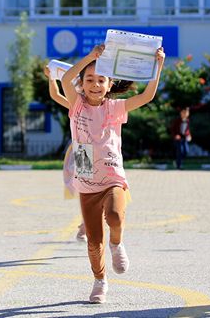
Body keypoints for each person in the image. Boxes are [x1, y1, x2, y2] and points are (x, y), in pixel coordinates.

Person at [61, 44, 165, 303]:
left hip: (112, 177)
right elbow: (64, 79)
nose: (95, 84)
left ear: (109, 84)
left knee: (116, 216)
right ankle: (100, 281)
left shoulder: (114, 108)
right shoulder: (76, 106)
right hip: (87, 181)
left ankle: (117, 243)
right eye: (89, 79)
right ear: (82, 84)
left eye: (101, 80)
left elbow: (147, 97)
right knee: (94, 241)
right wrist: (90, 58)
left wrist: (158, 66)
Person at [43, 66, 86, 242]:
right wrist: (51, 78)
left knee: (105, 191)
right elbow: (55, 95)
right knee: (85, 191)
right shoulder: (76, 104)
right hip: (84, 151)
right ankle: (85, 224)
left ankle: (88, 223)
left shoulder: (104, 104)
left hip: (104, 151)